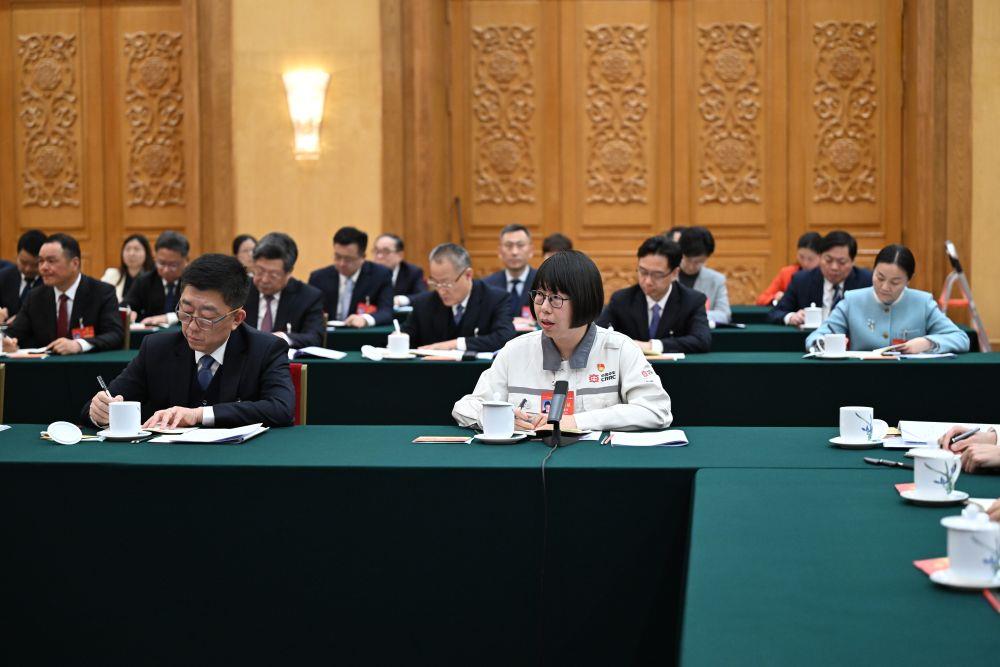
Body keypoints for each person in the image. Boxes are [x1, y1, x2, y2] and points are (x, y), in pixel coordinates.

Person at [453, 250, 672, 432]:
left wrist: (576, 421)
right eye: (540, 295)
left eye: (556, 298)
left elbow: (657, 410)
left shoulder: (619, 348)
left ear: (584, 301)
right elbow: (465, 407)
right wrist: (500, 418)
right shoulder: (515, 350)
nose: (544, 308)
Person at [83, 253, 295, 429]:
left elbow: (281, 408)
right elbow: (99, 405)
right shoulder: (156, 348)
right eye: (186, 312)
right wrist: (100, 412)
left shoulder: (265, 349)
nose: (192, 326)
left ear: (236, 319)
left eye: (206, 318)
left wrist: (199, 414)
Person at [805, 245, 969, 354]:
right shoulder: (852, 300)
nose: (884, 287)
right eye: (880, 277)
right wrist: (824, 344)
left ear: (909, 279)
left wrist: (927, 343)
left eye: (895, 282)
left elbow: (961, 339)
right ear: (873, 270)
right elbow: (816, 337)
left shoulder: (923, 303)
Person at [2, 233, 123, 355]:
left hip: (88, 365)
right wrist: (6, 342)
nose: (43, 267)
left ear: (74, 263)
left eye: (51, 261)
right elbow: (13, 333)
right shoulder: (35, 297)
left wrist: (79, 345)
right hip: (46, 365)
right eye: (41, 261)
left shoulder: (102, 292)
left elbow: (115, 334)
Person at [597, 235, 711, 353]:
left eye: (657, 275)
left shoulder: (692, 300)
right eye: (643, 272)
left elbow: (702, 340)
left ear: (674, 273)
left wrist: (653, 346)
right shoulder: (621, 300)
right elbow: (598, 335)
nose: (647, 281)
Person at [403, 243, 516, 352]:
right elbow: (406, 337)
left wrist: (456, 344)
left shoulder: (495, 299)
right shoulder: (423, 303)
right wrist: (398, 339)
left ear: (468, 275)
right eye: (435, 282)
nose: (441, 290)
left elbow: (504, 337)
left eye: (446, 283)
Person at [768, 230, 873, 326]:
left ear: (852, 262)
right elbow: (775, 313)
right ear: (820, 257)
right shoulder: (801, 280)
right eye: (828, 260)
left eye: (842, 262)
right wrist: (791, 317)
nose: (834, 267)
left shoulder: (866, 282)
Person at [243, 232, 325, 349]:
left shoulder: (308, 297)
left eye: (273, 275)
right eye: (260, 271)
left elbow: (315, 338)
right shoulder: (240, 289)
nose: (264, 280)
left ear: (289, 273)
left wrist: (283, 337)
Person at [308, 226, 393, 327]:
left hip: (361, 333)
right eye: (337, 257)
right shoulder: (318, 278)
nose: (342, 263)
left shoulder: (380, 275)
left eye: (348, 259)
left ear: (363, 257)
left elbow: (386, 312)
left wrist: (365, 319)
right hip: (328, 333)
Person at [123, 230, 190, 325]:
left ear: (186, 261)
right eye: (161, 263)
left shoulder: (193, 282)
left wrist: (168, 318)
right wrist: (129, 313)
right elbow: (126, 305)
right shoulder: (144, 280)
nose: (166, 270)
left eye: (173, 265)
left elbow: (198, 313)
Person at [677, 226, 731, 324]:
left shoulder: (716, 280)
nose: (691, 266)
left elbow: (724, 315)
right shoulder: (666, 276)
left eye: (699, 262)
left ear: (707, 257)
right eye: (688, 260)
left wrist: (695, 315)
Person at [483, 224, 537, 318]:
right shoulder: (487, 286)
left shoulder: (543, 282)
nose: (514, 252)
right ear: (500, 251)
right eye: (508, 246)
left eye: (520, 245)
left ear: (531, 250)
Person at [755, 232, 822, 306]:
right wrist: (776, 299)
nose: (805, 263)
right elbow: (762, 299)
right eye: (801, 257)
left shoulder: (826, 275)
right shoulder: (787, 273)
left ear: (821, 257)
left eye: (810, 259)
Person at [0, 229, 47, 322]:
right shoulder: (3, 277)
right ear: (17, 256)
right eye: (23, 262)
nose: (28, 269)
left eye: (34, 265)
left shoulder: (51, 282)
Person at [372, 233, 426, 307]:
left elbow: (422, 297)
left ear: (400, 255)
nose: (379, 256)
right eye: (376, 251)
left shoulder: (413, 272)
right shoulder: (368, 272)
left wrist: (401, 300)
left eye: (386, 251)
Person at [101, 233, 155, 301]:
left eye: (137, 249)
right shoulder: (111, 275)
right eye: (127, 249)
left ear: (146, 253)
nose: (131, 253)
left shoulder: (153, 278)